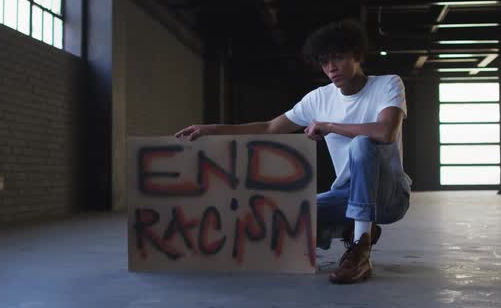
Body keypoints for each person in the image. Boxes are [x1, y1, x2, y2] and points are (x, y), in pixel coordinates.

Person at [175, 19, 411, 284]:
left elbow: (385, 132)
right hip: (347, 193)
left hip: (389, 196)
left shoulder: (388, 84)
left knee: (362, 143)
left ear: (356, 55)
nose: (331, 68)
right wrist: (211, 129)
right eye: (324, 62)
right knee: (287, 215)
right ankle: (355, 225)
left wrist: (329, 125)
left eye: (338, 58)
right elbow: (269, 127)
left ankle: (360, 249)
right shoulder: (319, 98)